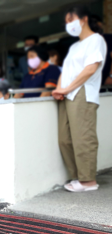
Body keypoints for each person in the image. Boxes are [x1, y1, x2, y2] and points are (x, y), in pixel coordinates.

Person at [52, 5, 106, 192]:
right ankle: (77, 177)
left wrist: (67, 88)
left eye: (70, 20)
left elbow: (90, 69)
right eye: (66, 21)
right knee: (65, 139)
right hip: (67, 94)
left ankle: (88, 180)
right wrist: (60, 89)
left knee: (83, 138)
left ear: (83, 19)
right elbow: (65, 71)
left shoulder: (96, 39)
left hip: (83, 92)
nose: (68, 24)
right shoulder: (74, 46)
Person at [92, 14, 112, 86]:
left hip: (107, 81)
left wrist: (111, 76)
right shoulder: (85, 43)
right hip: (94, 83)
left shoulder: (109, 39)